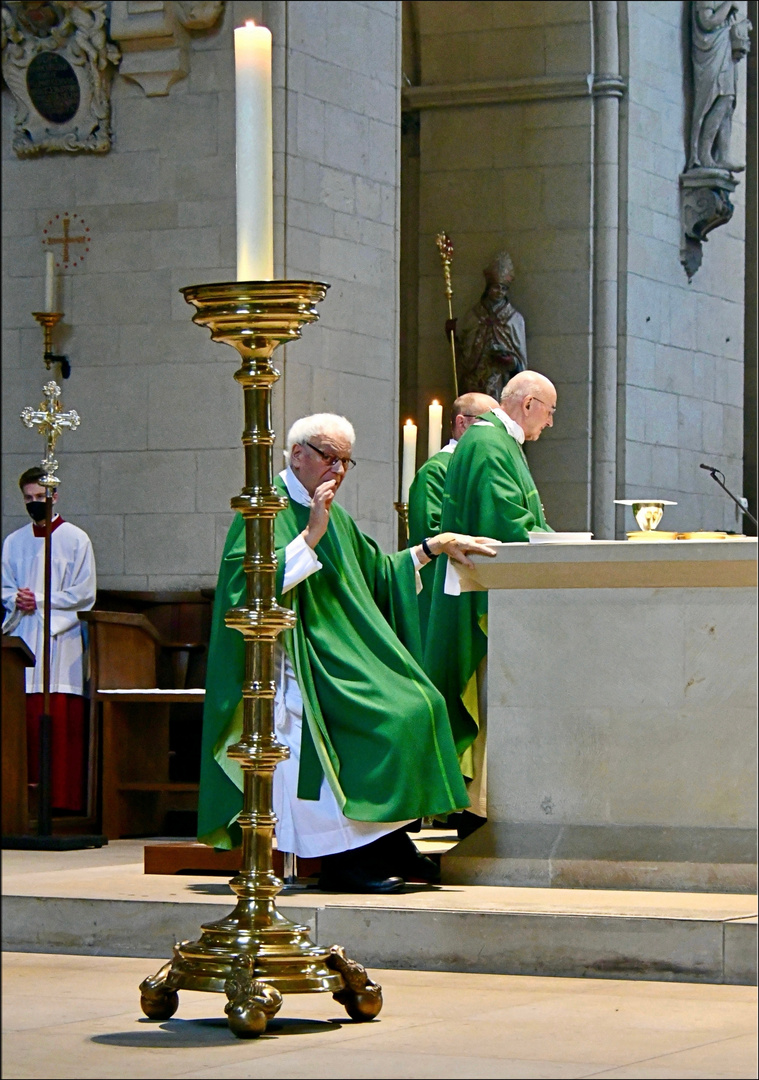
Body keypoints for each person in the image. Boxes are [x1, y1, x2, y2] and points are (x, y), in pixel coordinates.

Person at [197, 413, 497, 893]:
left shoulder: (331, 513)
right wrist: (311, 534)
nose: (337, 470)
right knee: (387, 717)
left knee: (421, 703)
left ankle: (389, 842)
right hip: (294, 661)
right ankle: (343, 861)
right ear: (298, 455)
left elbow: (376, 573)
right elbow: (246, 591)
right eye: (329, 458)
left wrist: (431, 547)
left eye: (345, 461)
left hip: (340, 654)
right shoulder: (263, 511)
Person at [423, 372, 557, 826]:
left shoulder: (495, 441)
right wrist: (560, 545)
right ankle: (479, 807)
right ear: (529, 403)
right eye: (550, 411)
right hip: (482, 595)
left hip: (490, 592)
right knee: (481, 694)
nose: (551, 423)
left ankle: (482, 802)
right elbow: (503, 519)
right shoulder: (489, 443)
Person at [1, 466, 96, 813]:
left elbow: (84, 594)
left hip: (60, 639)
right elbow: (5, 586)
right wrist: (16, 599)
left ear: (54, 496)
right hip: (24, 635)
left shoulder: (76, 539)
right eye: (28, 498)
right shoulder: (14, 541)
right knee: (22, 720)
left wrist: (39, 600)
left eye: (40, 497)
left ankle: (61, 805)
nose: (34, 503)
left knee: (59, 721)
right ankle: (20, 804)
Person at [408, 392, 498, 646]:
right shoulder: (436, 470)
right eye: (486, 425)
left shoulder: (484, 468)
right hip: (447, 596)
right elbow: (430, 532)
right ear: (462, 423)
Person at [451, 251, 528, 399]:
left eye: (503, 288)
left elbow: (521, 360)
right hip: (475, 381)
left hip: (501, 380)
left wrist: (510, 361)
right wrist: (453, 336)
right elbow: (463, 353)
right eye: (496, 287)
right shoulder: (474, 315)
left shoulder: (514, 319)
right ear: (488, 287)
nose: (499, 292)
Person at [688, 1, 750, 172]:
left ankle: (722, 155)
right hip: (711, 50)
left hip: (725, 48)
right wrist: (728, 4)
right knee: (712, 99)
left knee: (728, 100)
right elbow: (707, 22)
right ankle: (703, 153)